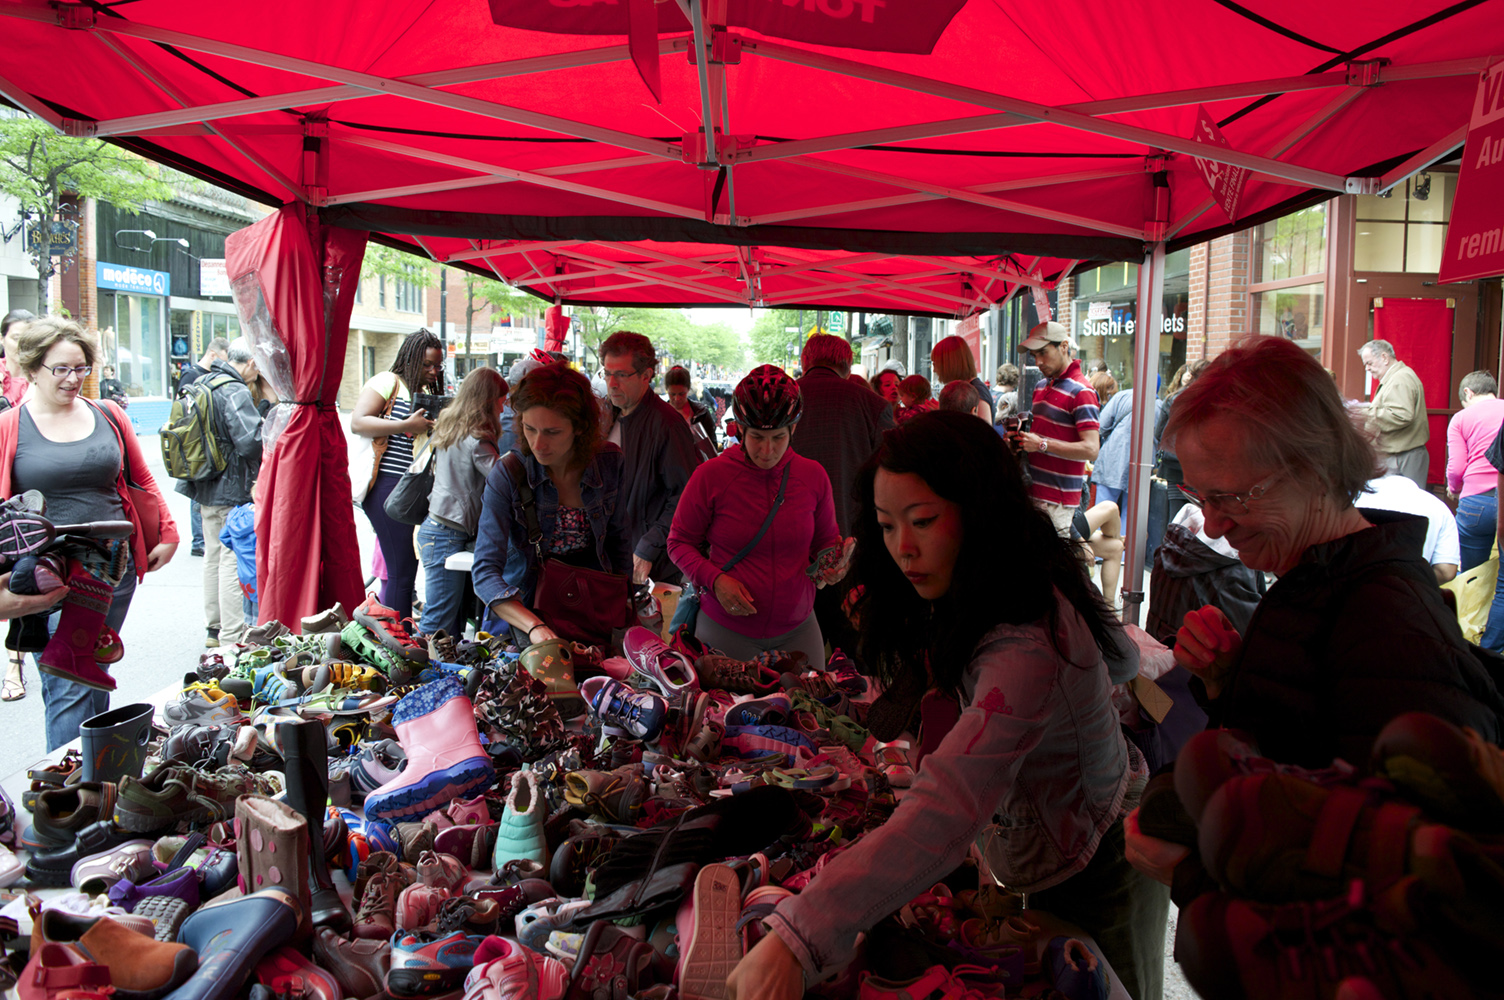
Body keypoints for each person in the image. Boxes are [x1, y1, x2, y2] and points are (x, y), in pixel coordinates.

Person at [727, 411, 1164, 1000]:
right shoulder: (1010, 571)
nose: (903, 548)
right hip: (1046, 837)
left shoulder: (1027, 642)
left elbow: (951, 804)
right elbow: (1123, 662)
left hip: (1100, 858)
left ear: (979, 510)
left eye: (924, 521)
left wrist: (801, 934)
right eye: (886, 526)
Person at [1155, 336, 1499, 769]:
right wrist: (1229, 681)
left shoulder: (1388, 629)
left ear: (1313, 470)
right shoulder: (1313, 580)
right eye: (1200, 497)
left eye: (1229, 498)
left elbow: (1394, 827)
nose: (1211, 524)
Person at [0, 318, 178, 751]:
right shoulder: (10, 426)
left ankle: (96, 785)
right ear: (33, 368)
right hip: (47, 571)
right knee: (70, 682)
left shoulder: (108, 414)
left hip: (112, 569)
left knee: (89, 675)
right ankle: (68, 797)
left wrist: (168, 533)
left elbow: (142, 480)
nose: (73, 378)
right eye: (60, 368)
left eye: (80, 368)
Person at [668, 366, 845, 666]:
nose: (767, 450)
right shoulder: (711, 476)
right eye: (757, 438)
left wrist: (834, 564)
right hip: (725, 629)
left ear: (793, 429)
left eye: (778, 437)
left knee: (812, 711)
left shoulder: (813, 476)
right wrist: (716, 580)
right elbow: (678, 542)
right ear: (739, 428)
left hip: (798, 629)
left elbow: (826, 540)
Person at [472, 363, 631, 645]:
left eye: (552, 432)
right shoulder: (507, 474)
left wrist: (626, 607)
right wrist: (535, 628)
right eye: (529, 429)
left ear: (580, 427)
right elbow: (485, 571)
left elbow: (618, 546)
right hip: (523, 617)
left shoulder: (609, 463)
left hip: (592, 615)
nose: (538, 443)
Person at [173, 339, 263, 648]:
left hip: (204, 483)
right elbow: (251, 442)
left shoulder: (204, 381)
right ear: (251, 363)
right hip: (231, 486)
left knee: (212, 556)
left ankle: (213, 627)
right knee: (230, 558)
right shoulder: (233, 389)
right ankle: (232, 634)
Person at [350, 329, 445, 620]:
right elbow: (357, 422)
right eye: (427, 364)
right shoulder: (387, 382)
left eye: (437, 365)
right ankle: (397, 637)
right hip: (385, 485)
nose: (433, 371)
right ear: (411, 359)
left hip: (410, 486)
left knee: (401, 567)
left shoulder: (427, 393)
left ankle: (398, 635)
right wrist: (405, 425)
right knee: (401, 568)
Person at [598, 331, 701, 586]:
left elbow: (686, 496)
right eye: (607, 373)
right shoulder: (603, 414)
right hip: (607, 560)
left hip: (650, 567)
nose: (612, 383)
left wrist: (648, 546)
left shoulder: (667, 425)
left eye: (621, 375)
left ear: (646, 376)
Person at [416, 367, 505, 641]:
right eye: (501, 400)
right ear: (488, 399)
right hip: (447, 534)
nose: (504, 408)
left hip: (438, 529)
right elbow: (501, 478)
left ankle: (440, 671)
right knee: (439, 618)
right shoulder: (477, 438)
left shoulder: (452, 425)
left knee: (446, 616)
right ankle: (420, 672)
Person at [792, 335, 893, 538]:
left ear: (804, 361)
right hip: (851, 530)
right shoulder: (874, 405)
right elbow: (889, 473)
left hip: (786, 525)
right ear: (848, 368)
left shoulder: (785, 397)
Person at [1010, 322, 1101, 538]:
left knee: (1049, 567)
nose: (1039, 361)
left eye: (1043, 352)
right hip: (1033, 492)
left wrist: (1041, 444)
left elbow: (1091, 449)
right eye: (1034, 355)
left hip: (1057, 501)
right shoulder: (1042, 386)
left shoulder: (1082, 391)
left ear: (1063, 347)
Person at [1354, 471, 1460, 584]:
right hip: (1412, 591)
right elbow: (1446, 571)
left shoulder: (1352, 500)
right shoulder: (1439, 507)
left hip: (1355, 588)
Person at [1446, 370, 1504, 570]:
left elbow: (1456, 468)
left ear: (1468, 393)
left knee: (1470, 575)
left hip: (1477, 501)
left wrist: (1454, 488)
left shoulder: (1461, 419)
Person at [1091, 384, 1163, 532]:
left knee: (1102, 512)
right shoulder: (1160, 406)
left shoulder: (1121, 397)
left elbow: (1102, 426)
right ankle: (1125, 554)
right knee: (1130, 516)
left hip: (1113, 458)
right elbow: (1162, 438)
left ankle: (1098, 554)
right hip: (1143, 464)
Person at [1359, 338, 1430, 488]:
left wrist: (1365, 412)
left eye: (1369, 363)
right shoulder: (1397, 377)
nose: (1367, 369)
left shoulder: (1400, 379)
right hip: (1400, 456)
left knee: (1403, 508)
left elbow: (1400, 415)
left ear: (1384, 357)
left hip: (1402, 458)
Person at [1153, 359, 1208, 525]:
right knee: (1200, 523)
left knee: (1175, 520)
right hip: (1200, 470)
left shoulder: (1173, 398)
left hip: (1174, 468)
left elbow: (1158, 433)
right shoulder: (1210, 400)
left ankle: (1172, 549)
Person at [930, 334, 992, 423]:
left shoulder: (977, 391)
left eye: (935, 364)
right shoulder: (968, 388)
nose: (934, 370)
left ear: (949, 364)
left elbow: (985, 432)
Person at [664, 365, 718, 458]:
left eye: (682, 394)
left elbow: (712, 447)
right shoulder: (659, 414)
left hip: (697, 467)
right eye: (672, 394)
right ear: (667, 391)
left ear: (688, 389)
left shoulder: (702, 412)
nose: (677, 399)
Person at [1, 309, 35, 410]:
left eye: (28, 339)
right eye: (16, 339)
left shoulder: (44, 376)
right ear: (2, 339)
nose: (22, 346)